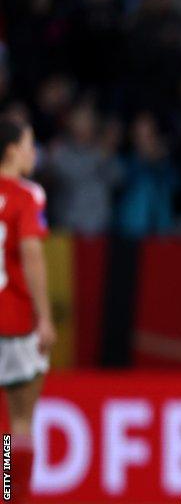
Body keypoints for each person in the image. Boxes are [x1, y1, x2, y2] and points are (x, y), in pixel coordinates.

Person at [0, 116, 55, 503]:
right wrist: (45, 318)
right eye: (29, 144)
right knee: (18, 423)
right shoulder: (27, 195)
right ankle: (12, 495)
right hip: (15, 320)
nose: (33, 152)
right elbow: (31, 254)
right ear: (11, 150)